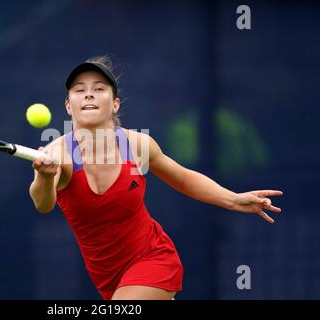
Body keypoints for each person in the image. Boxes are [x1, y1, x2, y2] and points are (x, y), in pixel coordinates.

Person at [29, 56, 283, 300]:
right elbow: (43, 203)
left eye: (99, 88)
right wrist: (43, 176)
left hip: (153, 258)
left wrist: (235, 200)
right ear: (68, 105)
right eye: (79, 89)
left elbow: (183, 178)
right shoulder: (57, 154)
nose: (88, 94)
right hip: (108, 278)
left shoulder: (137, 145)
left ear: (115, 104)